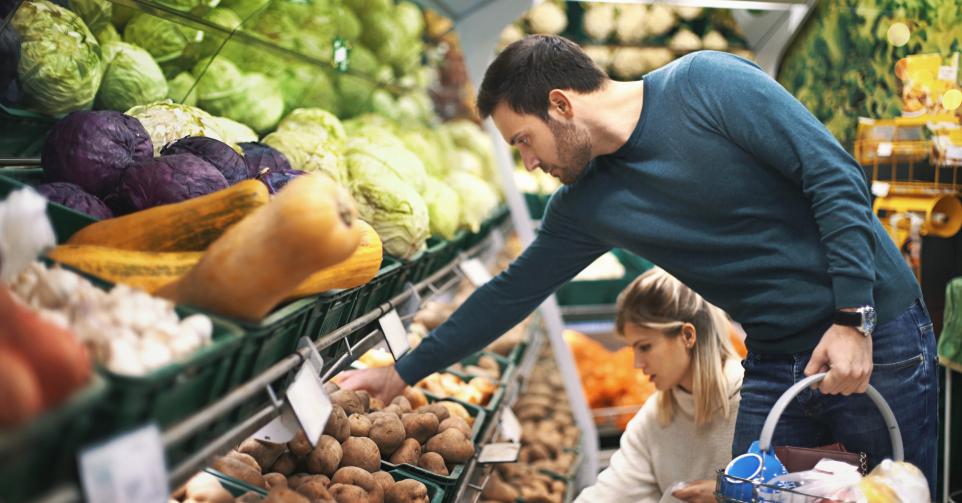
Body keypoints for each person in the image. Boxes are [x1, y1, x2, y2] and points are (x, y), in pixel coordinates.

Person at [338, 35, 938, 492]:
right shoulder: (586, 205)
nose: (529, 163)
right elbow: (510, 292)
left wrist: (853, 317)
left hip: (874, 330)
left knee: (889, 491)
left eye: (524, 140)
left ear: (560, 104)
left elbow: (834, 176)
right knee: (761, 496)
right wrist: (403, 371)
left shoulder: (708, 84)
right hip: (777, 354)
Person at [574, 268, 742, 503]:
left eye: (645, 347)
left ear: (687, 336)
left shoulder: (751, 404)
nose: (636, 363)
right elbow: (611, 494)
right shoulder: (655, 416)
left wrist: (729, 495)